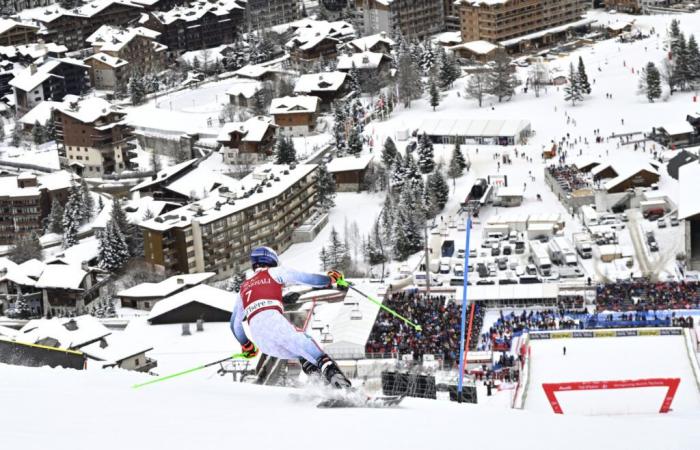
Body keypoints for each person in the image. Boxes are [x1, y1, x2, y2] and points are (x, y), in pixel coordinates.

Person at [230, 246, 352, 389]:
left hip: (262, 342)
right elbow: (308, 279)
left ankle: (321, 385)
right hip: (275, 323)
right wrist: (330, 279)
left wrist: (247, 345)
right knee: (310, 347)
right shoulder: (275, 272)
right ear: (271, 260)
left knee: (302, 354)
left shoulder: (243, 288)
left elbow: (234, 324)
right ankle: (344, 388)